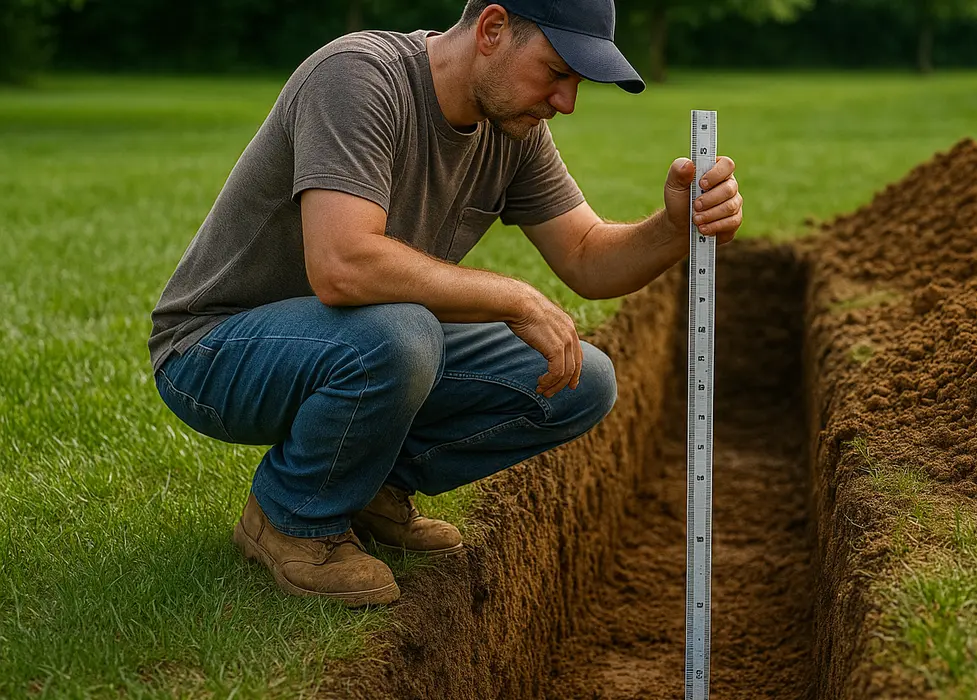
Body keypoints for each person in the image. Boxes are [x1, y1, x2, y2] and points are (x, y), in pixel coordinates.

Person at [148, 0, 743, 607]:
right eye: (557, 71)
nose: (566, 101)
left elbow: (588, 256)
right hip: (215, 348)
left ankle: (372, 486)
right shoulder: (357, 76)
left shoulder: (514, 128)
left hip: (359, 341)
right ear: (491, 29)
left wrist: (673, 228)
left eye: (577, 84)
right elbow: (342, 265)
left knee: (583, 380)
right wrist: (512, 296)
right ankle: (289, 520)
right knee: (403, 335)